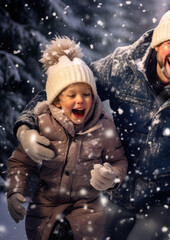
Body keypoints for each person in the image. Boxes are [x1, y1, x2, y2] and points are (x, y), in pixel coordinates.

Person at [12, 6, 170, 240]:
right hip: (118, 187)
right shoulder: (122, 66)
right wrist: (27, 127)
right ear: (157, 44)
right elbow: (64, 85)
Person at [7, 36, 128, 240]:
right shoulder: (43, 124)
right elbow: (21, 161)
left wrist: (112, 175)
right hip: (45, 211)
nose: (80, 100)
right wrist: (15, 190)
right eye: (71, 95)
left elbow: (118, 160)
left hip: (87, 212)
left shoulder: (103, 126)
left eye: (86, 94)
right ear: (57, 100)